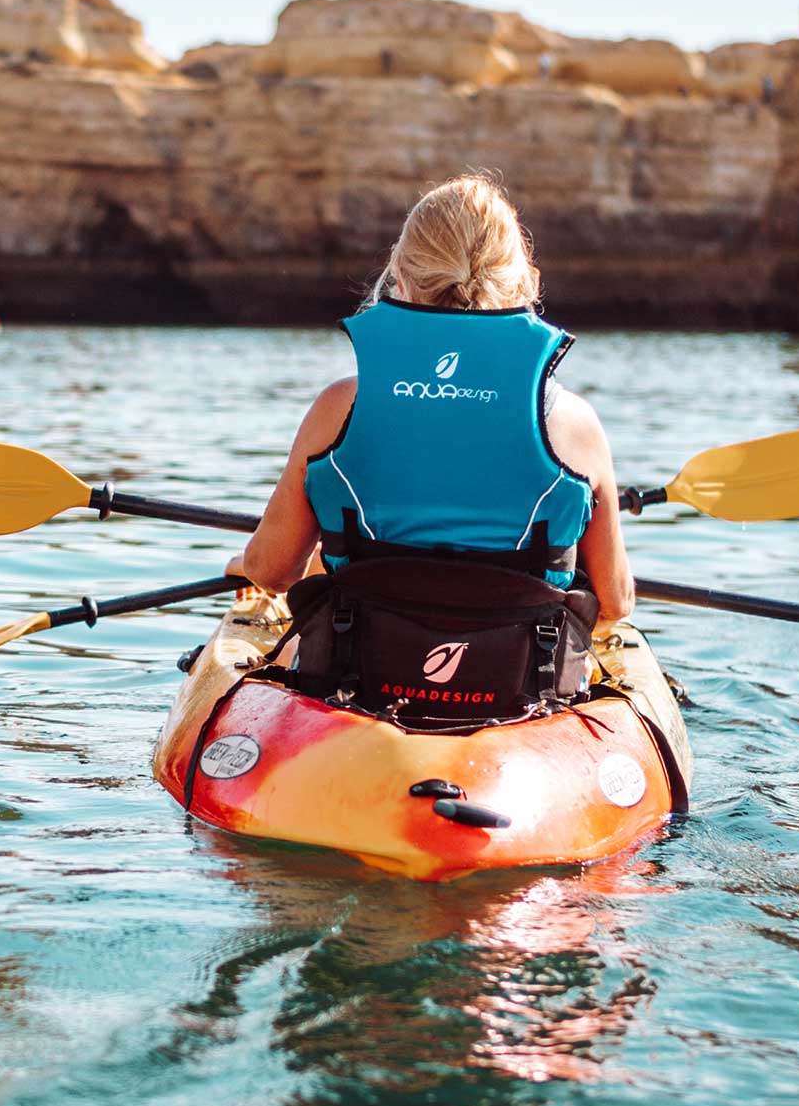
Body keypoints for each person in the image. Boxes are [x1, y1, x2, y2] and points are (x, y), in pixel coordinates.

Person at [236, 176, 635, 718]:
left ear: (398, 273)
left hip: (358, 687)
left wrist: (251, 561)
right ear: (526, 279)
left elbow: (272, 572)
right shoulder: (575, 424)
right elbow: (614, 603)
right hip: (523, 694)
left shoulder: (338, 407)